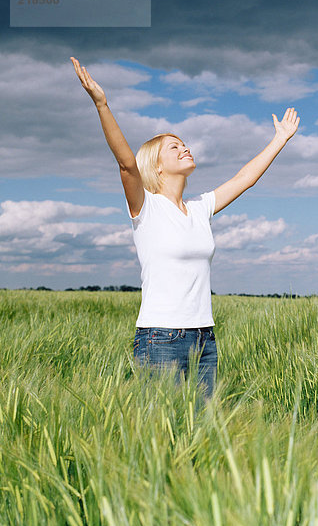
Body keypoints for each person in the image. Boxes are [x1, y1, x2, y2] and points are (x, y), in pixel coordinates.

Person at [71, 56, 300, 399]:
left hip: (205, 338)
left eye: (184, 143)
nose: (185, 148)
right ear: (157, 166)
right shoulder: (146, 208)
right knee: (160, 438)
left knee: (200, 436)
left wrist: (280, 139)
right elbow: (126, 164)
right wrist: (102, 104)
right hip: (161, 339)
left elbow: (244, 179)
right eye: (174, 147)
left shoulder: (199, 209)